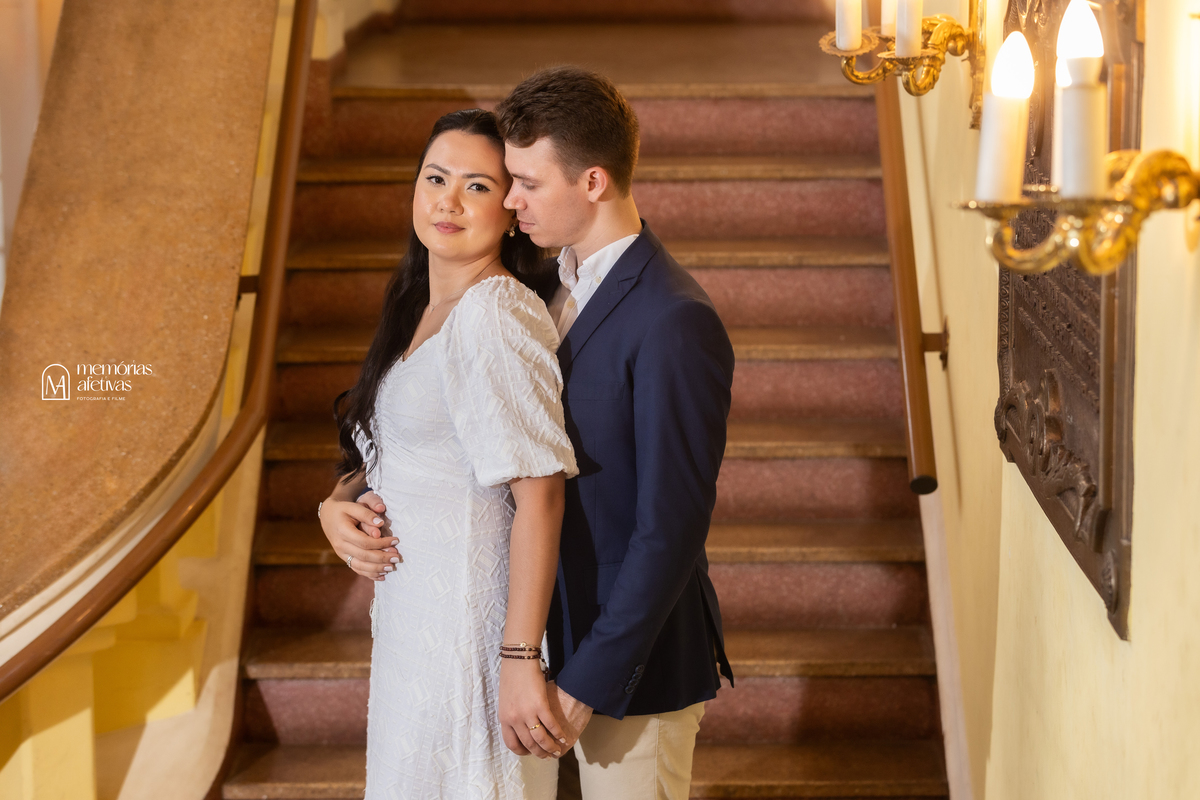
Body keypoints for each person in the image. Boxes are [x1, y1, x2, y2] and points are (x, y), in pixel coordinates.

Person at [358, 66, 737, 799]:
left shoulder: (673, 318)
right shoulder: (541, 288)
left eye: (526, 182)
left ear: (593, 182)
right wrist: (347, 499)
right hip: (533, 638)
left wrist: (588, 679)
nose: (511, 198)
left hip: (629, 664)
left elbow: (672, 528)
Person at [317, 108, 578, 800]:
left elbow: (542, 494)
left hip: (468, 637)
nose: (448, 200)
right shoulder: (419, 308)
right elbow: (401, 449)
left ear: (511, 212)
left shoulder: (494, 312)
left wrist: (519, 658)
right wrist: (335, 505)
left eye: (477, 186)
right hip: (412, 630)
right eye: (435, 178)